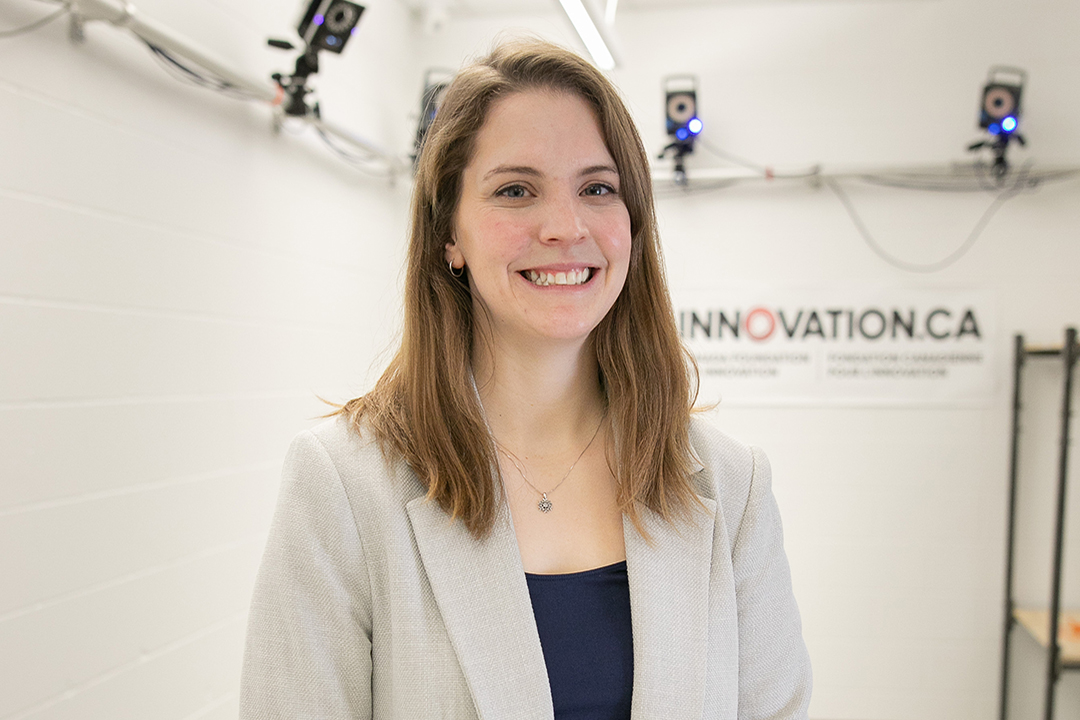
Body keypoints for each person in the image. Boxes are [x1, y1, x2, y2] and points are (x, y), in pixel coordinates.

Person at [241, 38, 811, 720]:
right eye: (516, 190)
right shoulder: (342, 486)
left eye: (598, 188)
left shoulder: (732, 485)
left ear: (632, 224)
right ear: (449, 233)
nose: (565, 226)